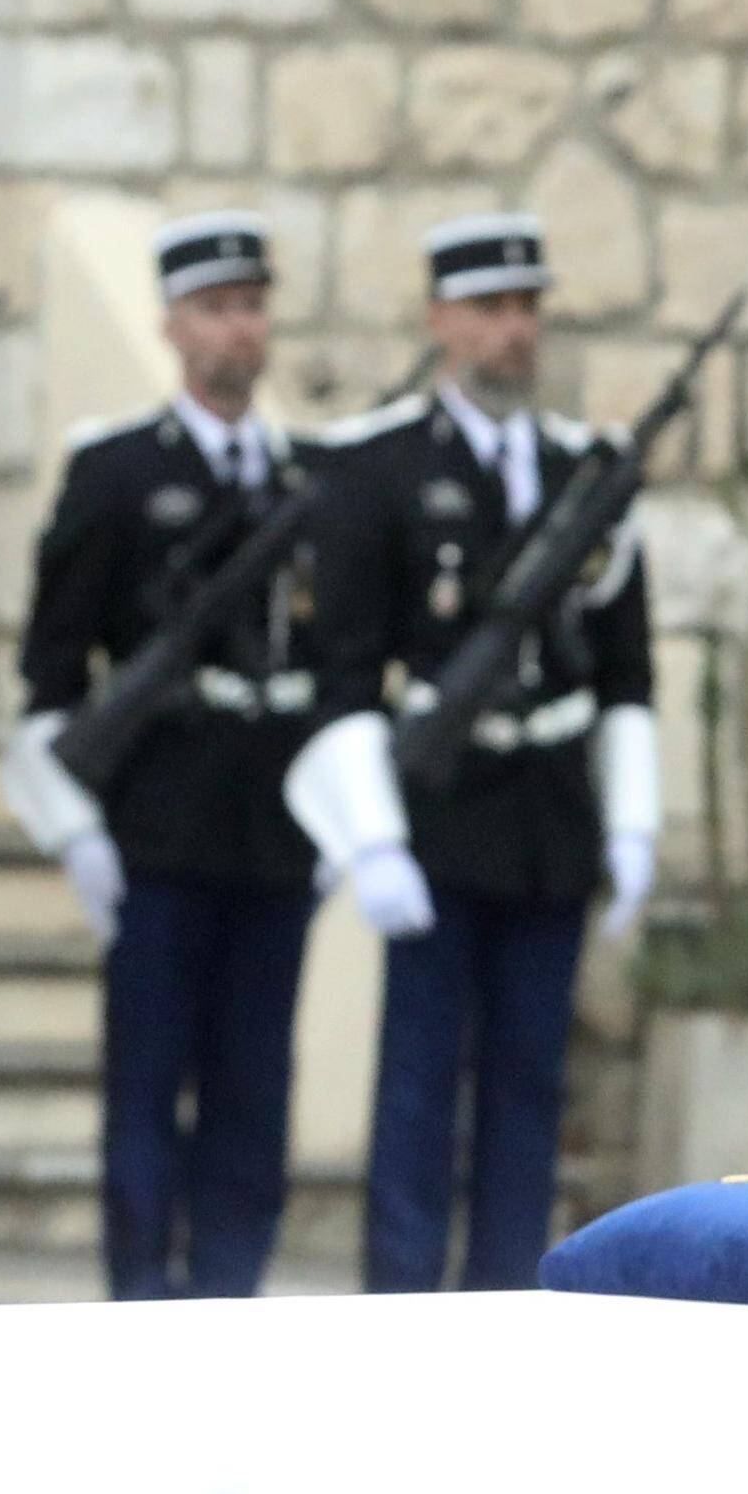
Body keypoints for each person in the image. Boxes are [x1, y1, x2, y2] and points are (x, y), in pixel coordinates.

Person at [290, 210, 659, 1294]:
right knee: (417, 1084)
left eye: (525, 309)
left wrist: (632, 819)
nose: (512, 332)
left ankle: (511, 1298)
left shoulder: (583, 472)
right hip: (435, 810)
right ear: (438, 321)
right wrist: (372, 841)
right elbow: (346, 674)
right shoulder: (376, 468)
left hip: (546, 809)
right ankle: (403, 1303)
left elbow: (622, 671)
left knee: (528, 1083)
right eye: (489, 310)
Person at [6, 211, 319, 1299]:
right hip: (156, 820)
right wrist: (75, 826)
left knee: (253, 1090)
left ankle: (228, 1297)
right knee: (146, 1085)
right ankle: (140, 1299)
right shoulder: (116, 471)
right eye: (215, 309)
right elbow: (51, 669)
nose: (238, 330)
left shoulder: (306, 477)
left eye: (250, 307)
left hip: (271, 829)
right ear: (171, 326)